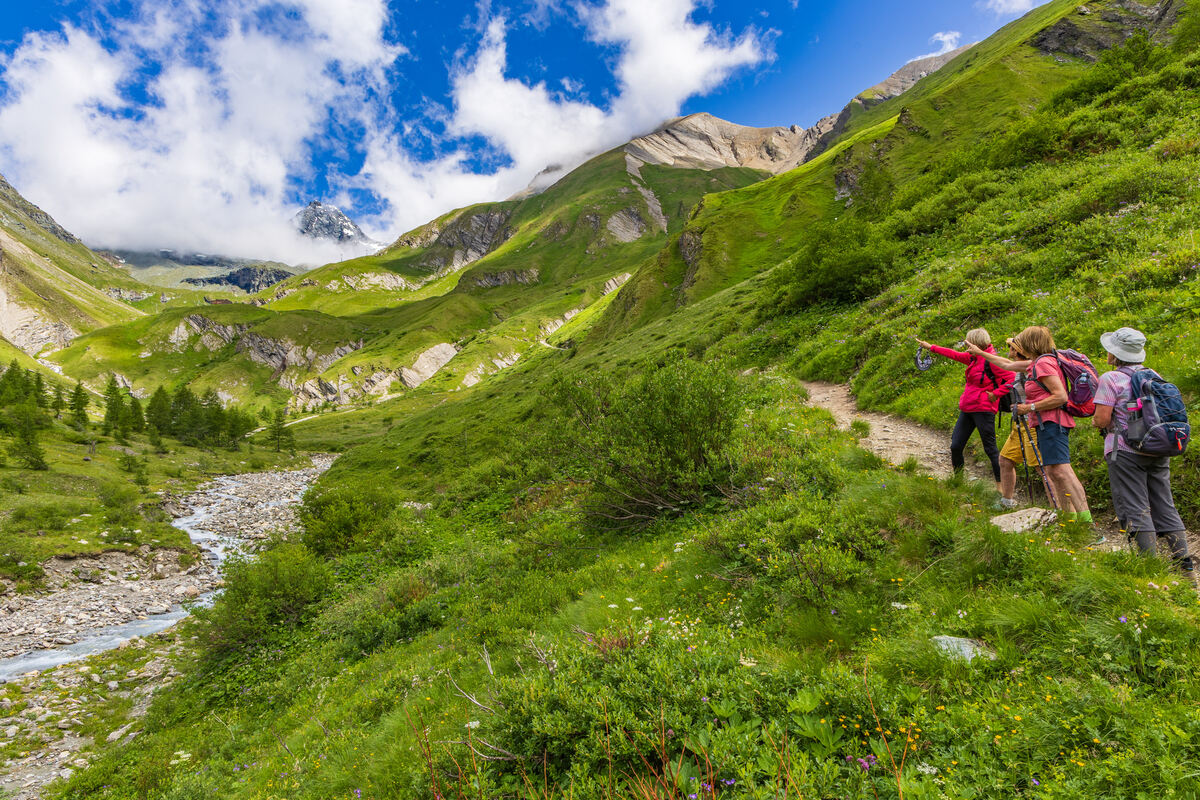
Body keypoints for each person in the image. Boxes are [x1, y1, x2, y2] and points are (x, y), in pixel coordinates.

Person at [966, 326, 1092, 523]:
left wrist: (1029, 407)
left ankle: (1086, 523)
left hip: (1052, 422)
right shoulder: (1038, 362)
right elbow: (1006, 364)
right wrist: (981, 353)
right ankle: (1069, 521)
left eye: (1022, 340)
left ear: (1031, 344)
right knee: (1053, 471)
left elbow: (1060, 396)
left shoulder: (1042, 364)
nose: (1018, 344)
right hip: (1045, 423)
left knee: (1062, 471)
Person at [1093, 327, 1192, 571]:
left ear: (1115, 355)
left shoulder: (1111, 379)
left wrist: (1095, 421)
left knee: (1134, 505)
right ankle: (1185, 566)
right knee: (1164, 504)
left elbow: (1102, 419)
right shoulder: (1153, 374)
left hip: (1125, 450)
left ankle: (1149, 568)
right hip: (1158, 446)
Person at [914, 329, 1014, 490]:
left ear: (975, 343)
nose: (965, 345)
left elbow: (1012, 378)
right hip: (968, 408)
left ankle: (1001, 489)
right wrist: (930, 347)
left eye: (968, 342)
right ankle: (958, 482)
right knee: (956, 446)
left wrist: (995, 394)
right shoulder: (973, 358)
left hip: (984, 409)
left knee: (990, 449)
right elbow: (953, 354)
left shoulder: (992, 360)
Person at [996, 338, 1044, 510]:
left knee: (1042, 467)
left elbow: (1005, 364)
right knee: (1006, 459)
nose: (1008, 349)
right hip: (1020, 422)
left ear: (1017, 351)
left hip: (1032, 422)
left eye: (1010, 346)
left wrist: (979, 352)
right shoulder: (1021, 367)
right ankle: (1007, 501)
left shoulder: (1029, 365)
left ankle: (1060, 509)